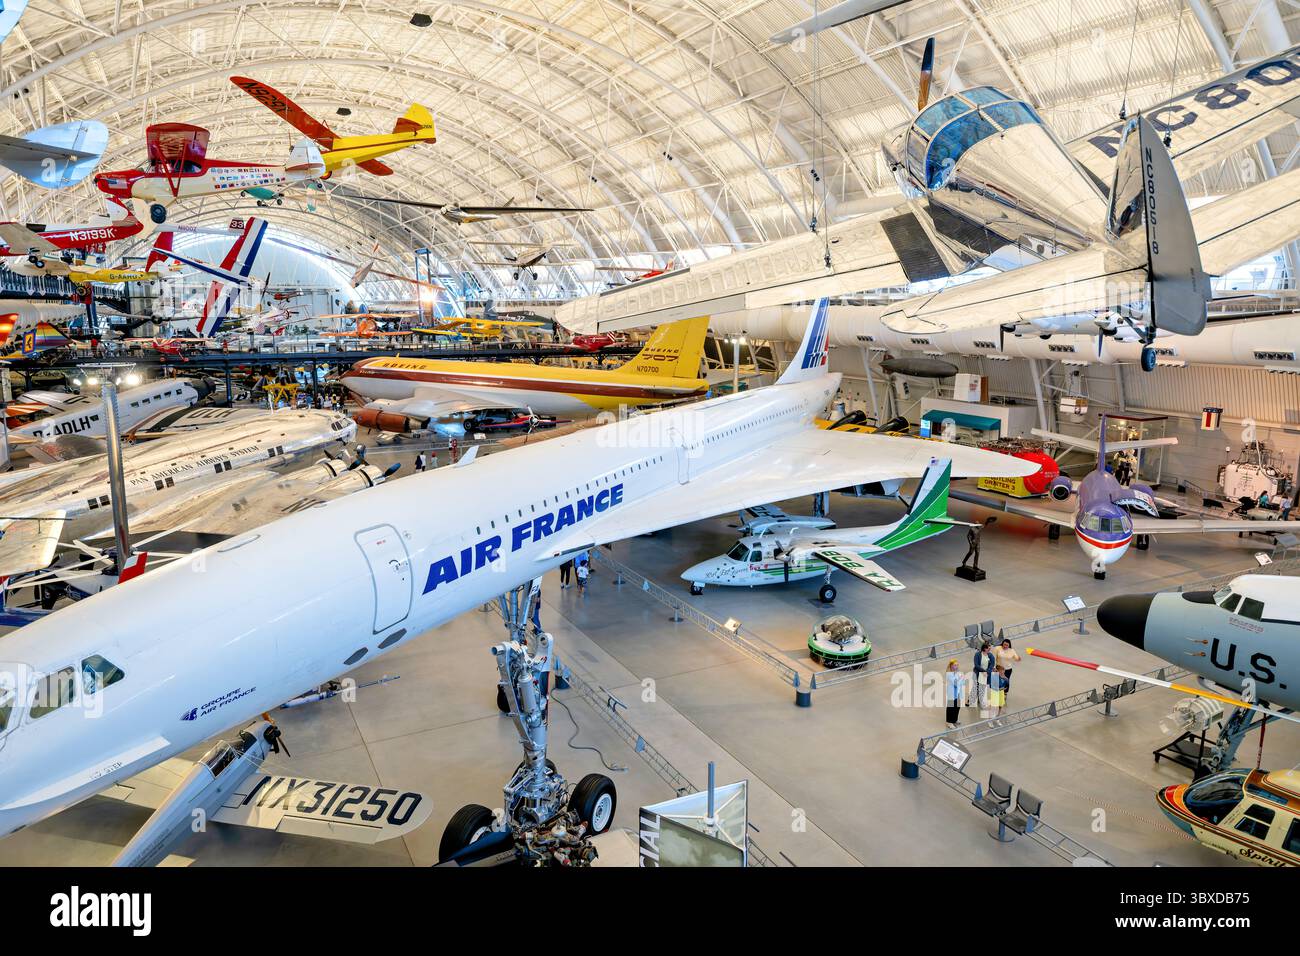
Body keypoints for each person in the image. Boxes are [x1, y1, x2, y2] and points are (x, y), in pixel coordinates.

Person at [971, 641, 995, 713]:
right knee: (976, 687)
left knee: (982, 688)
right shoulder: (978, 654)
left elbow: (992, 664)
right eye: (988, 648)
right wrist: (983, 671)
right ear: (984, 648)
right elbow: (976, 664)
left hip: (986, 674)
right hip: (978, 673)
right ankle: (971, 699)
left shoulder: (990, 655)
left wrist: (987, 671)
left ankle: (981, 701)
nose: (990, 649)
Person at [943, 660, 965, 729]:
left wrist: (960, 679)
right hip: (952, 693)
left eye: (957, 665)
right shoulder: (949, 674)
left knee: (957, 707)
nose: (957, 666)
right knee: (951, 708)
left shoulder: (958, 673)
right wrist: (960, 679)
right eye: (955, 665)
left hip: (958, 693)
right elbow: (956, 683)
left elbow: (963, 682)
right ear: (951, 666)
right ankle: (949, 722)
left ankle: (955, 719)